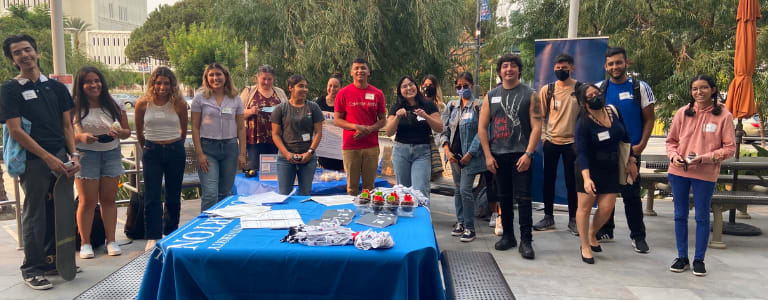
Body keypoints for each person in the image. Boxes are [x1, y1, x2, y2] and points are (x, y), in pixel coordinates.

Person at [1, 34, 79, 290]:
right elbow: (15, 131)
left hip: (61, 156)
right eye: (17, 53)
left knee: (60, 210)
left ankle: (54, 260)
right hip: (34, 160)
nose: (24, 55)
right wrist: (47, 158)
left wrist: (73, 155)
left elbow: (67, 125)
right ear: (13, 60)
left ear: (36, 52)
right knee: (35, 214)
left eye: (27, 50)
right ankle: (32, 268)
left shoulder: (56, 88)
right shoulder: (10, 90)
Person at [666, 74, 735, 276]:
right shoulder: (682, 113)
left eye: (703, 87)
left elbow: (730, 148)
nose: (699, 92)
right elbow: (671, 141)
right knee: (680, 215)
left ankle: (699, 259)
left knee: (702, 216)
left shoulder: (724, 115)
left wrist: (705, 158)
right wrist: (674, 157)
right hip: (679, 171)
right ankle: (682, 257)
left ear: (713, 90)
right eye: (695, 88)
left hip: (705, 172)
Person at [478, 54, 542, 259]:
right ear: (500, 71)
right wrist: (488, 156)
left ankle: (526, 240)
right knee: (503, 198)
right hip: (498, 155)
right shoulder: (491, 95)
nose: (509, 70)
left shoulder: (530, 94)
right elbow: (482, 127)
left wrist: (529, 153)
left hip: (521, 155)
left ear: (519, 70)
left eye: (513, 66)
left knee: (523, 199)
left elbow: (537, 126)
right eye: (505, 66)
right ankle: (508, 236)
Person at [596, 47, 653, 254]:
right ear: (606, 66)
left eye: (618, 63)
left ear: (626, 63)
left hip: (631, 150)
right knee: (606, 192)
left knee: (631, 194)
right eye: (610, 64)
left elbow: (649, 119)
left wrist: (642, 144)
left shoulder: (640, 87)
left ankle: (638, 236)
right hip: (606, 149)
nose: (614, 67)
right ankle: (606, 229)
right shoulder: (600, 88)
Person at [573, 84, 638, 264]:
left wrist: (631, 160)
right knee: (584, 208)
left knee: (607, 208)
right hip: (589, 168)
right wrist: (586, 178)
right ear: (583, 102)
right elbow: (582, 152)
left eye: (597, 93)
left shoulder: (613, 111)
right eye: (590, 96)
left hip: (611, 166)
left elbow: (625, 138)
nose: (596, 97)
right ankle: (585, 245)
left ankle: (592, 232)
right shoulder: (583, 123)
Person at [71, 66, 131, 259]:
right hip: (86, 156)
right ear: (81, 85)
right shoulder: (74, 106)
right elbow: (67, 136)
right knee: (87, 201)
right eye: (88, 81)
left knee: (109, 200)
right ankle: (85, 242)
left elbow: (127, 132)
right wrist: (81, 137)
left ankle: (111, 240)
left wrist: (120, 133)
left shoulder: (115, 103)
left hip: (111, 153)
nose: (94, 85)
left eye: (97, 80)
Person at [135, 66, 188, 251]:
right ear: (153, 84)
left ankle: (171, 231)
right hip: (152, 149)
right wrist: (149, 146)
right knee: (152, 195)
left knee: (173, 195)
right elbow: (139, 131)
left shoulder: (179, 103)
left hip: (175, 149)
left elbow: (183, 130)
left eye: (166, 83)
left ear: (172, 85)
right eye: (158, 83)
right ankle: (153, 235)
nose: (162, 87)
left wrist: (173, 144)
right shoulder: (142, 103)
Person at [534, 54, 581, 235]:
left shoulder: (580, 89)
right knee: (548, 180)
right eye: (558, 68)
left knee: (572, 182)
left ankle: (573, 219)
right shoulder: (548, 89)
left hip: (572, 144)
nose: (561, 71)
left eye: (564, 68)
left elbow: (586, 116)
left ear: (572, 68)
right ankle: (548, 217)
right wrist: (544, 137)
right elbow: (540, 116)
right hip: (551, 142)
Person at [191, 63, 246, 211]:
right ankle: (205, 227)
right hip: (208, 149)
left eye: (218, 74)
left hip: (230, 148)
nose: (215, 78)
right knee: (210, 193)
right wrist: (200, 154)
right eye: (211, 75)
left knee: (226, 193)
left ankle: (222, 228)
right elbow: (195, 127)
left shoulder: (235, 99)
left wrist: (242, 154)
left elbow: (241, 128)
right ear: (207, 78)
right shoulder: (200, 98)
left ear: (226, 76)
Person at [440, 72, 485, 242]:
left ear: (472, 86)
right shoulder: (451, 106)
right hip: (454, 156)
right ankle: (460, 223)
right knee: (458, 190)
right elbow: (444, 129)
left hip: (471, 157)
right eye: (458, 86)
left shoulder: (478, 105)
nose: (462, 89)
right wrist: (446, 150)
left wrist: (470, 153)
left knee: (466, 190)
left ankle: (470, 227)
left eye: (465, 86)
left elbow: (483, 131)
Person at [384, 75, 442, 202]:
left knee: (420, 191)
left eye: (411, 84)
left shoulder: (428, 105)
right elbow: (389, 131)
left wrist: (426, 116)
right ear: (400, 91)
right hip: (401, 151)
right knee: (403, 191)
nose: (408, 88)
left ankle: (422, 220)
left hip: (422, 152)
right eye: (404, 86)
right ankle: (406, 219)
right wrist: (397, 117)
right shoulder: (396, 107)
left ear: (417, 86)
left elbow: (439, 127)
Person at [334, 58, 387, 196]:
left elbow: (383, 120)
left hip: (371, 146)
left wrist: (368, 130)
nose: (360, 71)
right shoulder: (343, 93)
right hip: (351, 146)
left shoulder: (378, 93)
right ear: (351, 72)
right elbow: (338, 120)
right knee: (351, 187)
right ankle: (352, 214)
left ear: (368, 72)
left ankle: (368, 215)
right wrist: (355, 126)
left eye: (363, 68)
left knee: (369, 187)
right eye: (356, 68)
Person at [271, 75, 324, 195]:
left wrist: (309, 152)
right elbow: (275, 135)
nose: (305, 89)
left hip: (308, 158)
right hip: (286, 158)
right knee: (284, 195)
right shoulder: (280, 109)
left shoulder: (313, 107)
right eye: (301, 86)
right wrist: (287, 154)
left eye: (306, 87)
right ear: (290, 88)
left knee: (305, 194)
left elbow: (319, 133)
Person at [240, 65, 288, 174]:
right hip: (254, 140)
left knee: (274, 173)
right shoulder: (248, 91)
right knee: (254, 171)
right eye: (264, 79)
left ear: (273, 79)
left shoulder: (280, 92)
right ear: (257, 78)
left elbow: (288, 112)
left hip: (276, 140)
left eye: (269, 79)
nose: (266, 82)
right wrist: (251, 111)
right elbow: (237, 114)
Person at [313, 73, 344, 171]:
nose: (332, 89)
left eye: (335, 86)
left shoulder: (344, 103)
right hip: (324, 146)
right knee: (325, 172)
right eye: (330, 85)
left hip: (339, 145)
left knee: (340, 173)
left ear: (341, 88)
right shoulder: (319, 102)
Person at [421, 74, 447, 182]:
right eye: (425, 85)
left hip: (432, 145)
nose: (427, 87)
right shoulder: (417, 103)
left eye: (430, 85)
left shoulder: (441, 107)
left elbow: (441, 128)